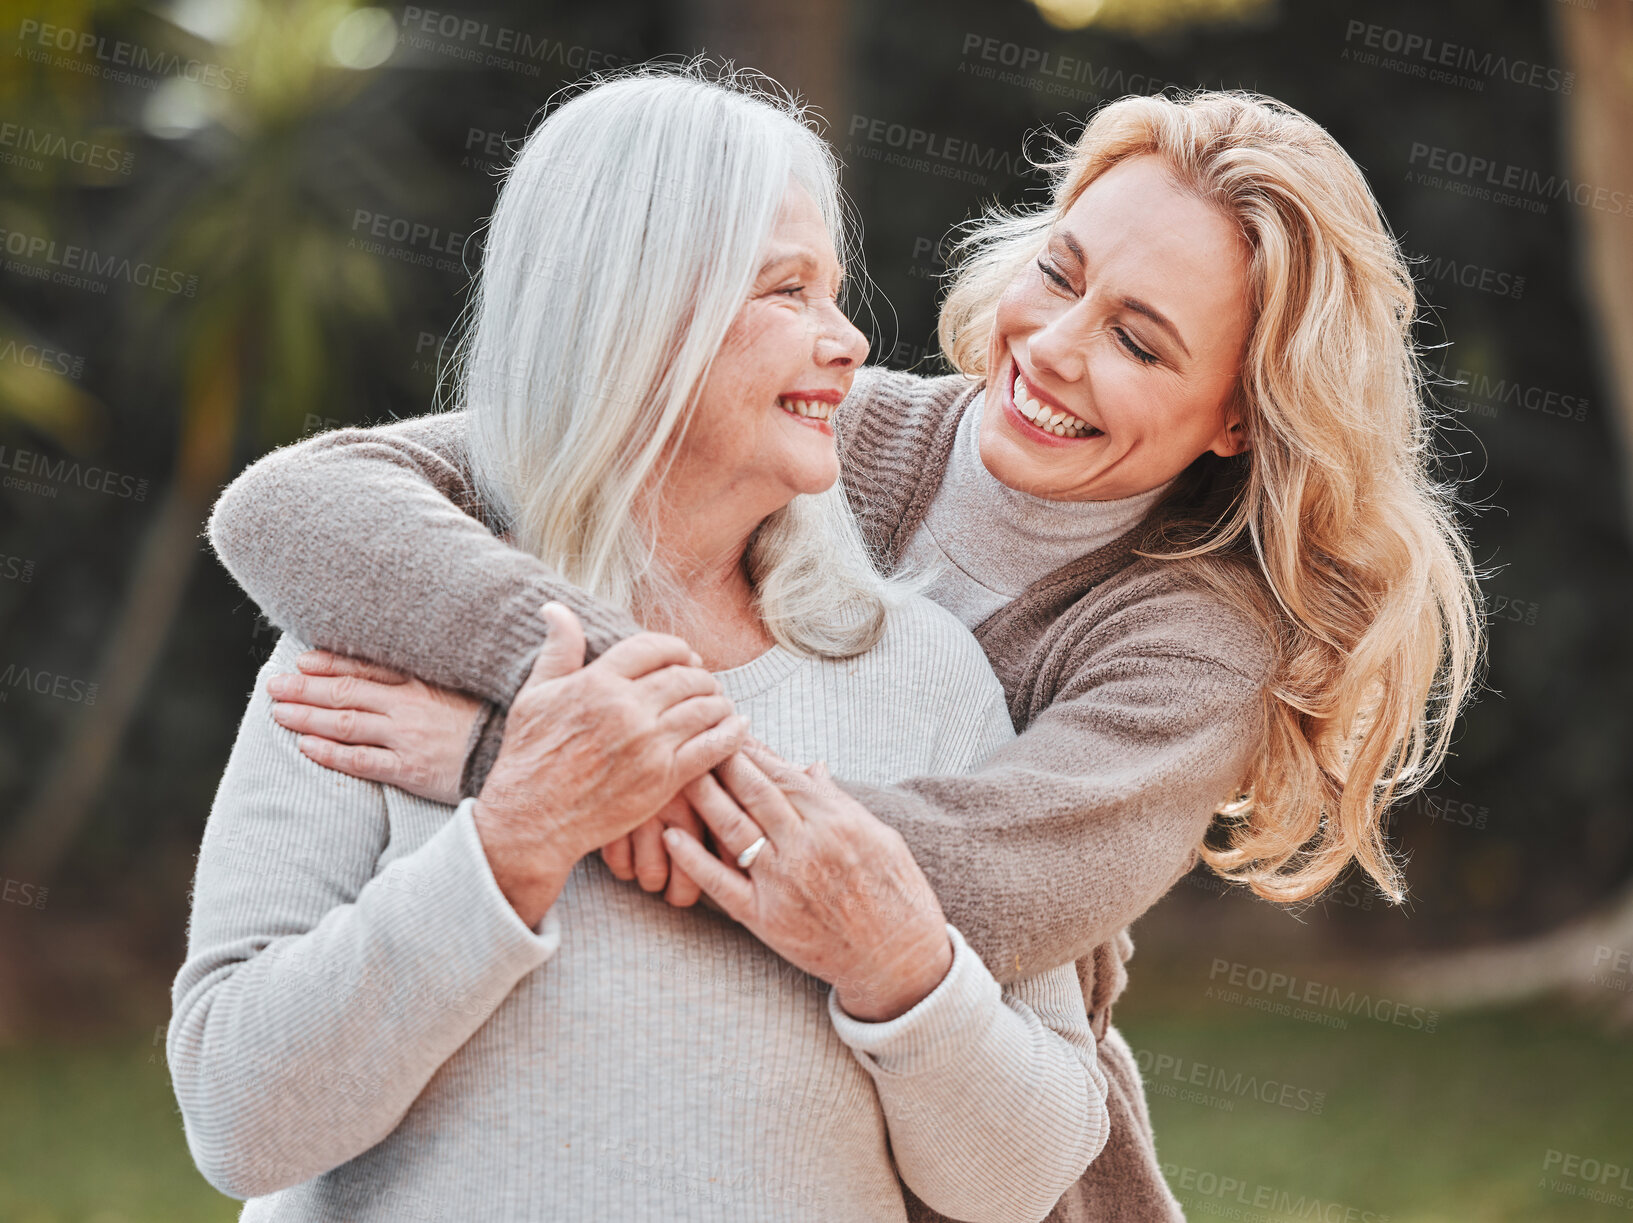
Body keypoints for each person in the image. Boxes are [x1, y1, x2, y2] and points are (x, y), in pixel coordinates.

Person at [207, 84, 1484, 1221]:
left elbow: (961, 887)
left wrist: (518, 762)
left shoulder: (1189, 644)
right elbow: (310, 500)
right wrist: (594, 690)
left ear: (1239, 421)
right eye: (1058, 270)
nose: (1049, 347)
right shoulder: (825, 423)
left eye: (1140, 342)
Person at [170, 67, 1110, 1223]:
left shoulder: (917, 669)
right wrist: (515, 837)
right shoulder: (381, 633)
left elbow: (1025, 1176)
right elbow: (236, 1112)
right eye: (788, 290)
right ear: (629, 308)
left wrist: (900, 966)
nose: (850, 340)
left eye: (833, 289)